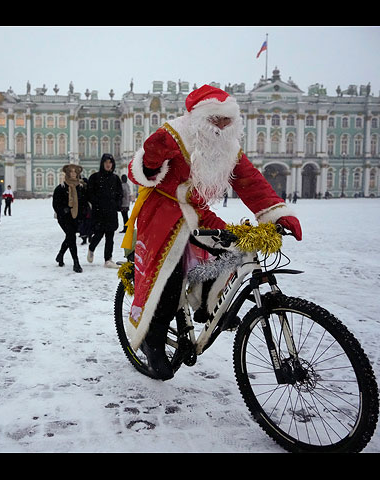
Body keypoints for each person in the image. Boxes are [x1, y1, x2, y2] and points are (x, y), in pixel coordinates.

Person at [123, 84, 302, 379]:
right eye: (214, 119)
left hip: (197, 211)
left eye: (226, 120)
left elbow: (250, 182)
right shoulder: (176, 134)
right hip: (163, 213)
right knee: (167, 280)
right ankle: (151, 341)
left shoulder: (229, 147)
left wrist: (276, 213)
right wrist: (150, 160)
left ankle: (205, 301)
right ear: (199, 118)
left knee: (232, 252)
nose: (220, 126)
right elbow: (137, 172)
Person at [87, 153, 123, 268]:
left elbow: (120, 194)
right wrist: (97, 203)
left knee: (110, 236)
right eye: (106, 162)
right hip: (99, 212)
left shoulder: (115, 178)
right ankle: (91, 248)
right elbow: (90, 194)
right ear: (102, 164)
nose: (108, 165)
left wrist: (117, 205)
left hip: (111, 212)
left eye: (110, 162)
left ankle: (108, 259)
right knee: (98, 234)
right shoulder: (95, 177)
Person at [53, 164, 88, 273]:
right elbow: (55, 204)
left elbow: (84, 202)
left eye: (75, 172)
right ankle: (76, 262)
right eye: (71, 172)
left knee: (69, 237)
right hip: (64, 218)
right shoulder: (61, 188)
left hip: (77, 217)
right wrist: (63, 210)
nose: (73, 174)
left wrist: (82, 214)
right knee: (71, 236)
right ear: (67, 173)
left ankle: (60, 255)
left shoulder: (81, 188)